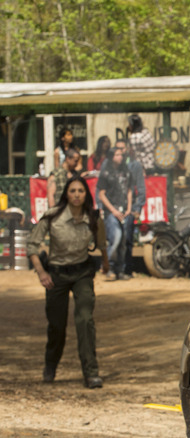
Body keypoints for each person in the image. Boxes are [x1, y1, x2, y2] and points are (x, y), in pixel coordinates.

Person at [27, 175, 109, 389]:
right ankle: (50, 365)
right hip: (57, 275)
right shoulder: (53, 216)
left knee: (85, 320)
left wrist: (107, 265)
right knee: (57, 325)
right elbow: (32, 246)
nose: (76, 195)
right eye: (72, 191)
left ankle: (91, 373)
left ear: (86, 194)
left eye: (80, 191)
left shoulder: (93, 217)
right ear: (66, 194)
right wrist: (41, 273)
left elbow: (102, 244)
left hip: (82, 273)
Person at [97, 147, 133, 281]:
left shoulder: (126, 172)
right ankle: (109, 266)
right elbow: (101, 194)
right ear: (112, 157)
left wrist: (129, 208)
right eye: (117, 155)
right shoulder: (106, 173)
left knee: (123, 242)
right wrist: (113, 210)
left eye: (121, 155)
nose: (120, 157)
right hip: (111, 213)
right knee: (116, 238)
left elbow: (129, 190)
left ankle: (120, 270)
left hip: (124, 211)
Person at [119, 140, 146, 277]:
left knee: (127, 237)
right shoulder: (111, 165)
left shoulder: (134, 165)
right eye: (118, 148)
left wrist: (138, 207)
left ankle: (126, 269)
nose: (120, 151)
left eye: (122, 148)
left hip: (129, 208)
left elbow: (140, 187)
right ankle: (115, 268)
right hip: (114, 208)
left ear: (128, 149)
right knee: (114, 238)